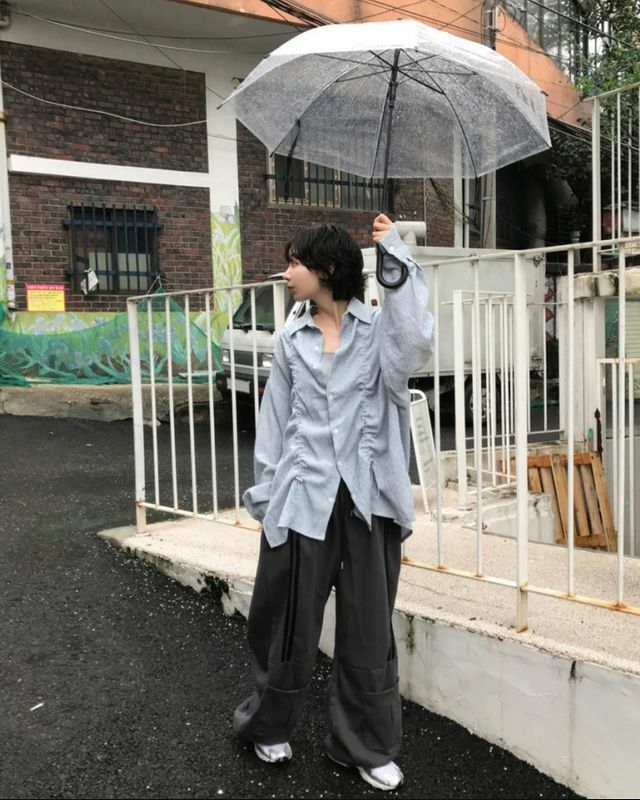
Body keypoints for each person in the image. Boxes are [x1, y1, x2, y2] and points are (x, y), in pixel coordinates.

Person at [234, 213, 434, 792]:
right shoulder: (290, 338)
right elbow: (274, 421)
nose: (287, 272)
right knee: (285, 621)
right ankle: (269, 724)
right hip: (302, 497)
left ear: (326, 268)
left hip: (368, 501)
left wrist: (392, 252)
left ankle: (363, 746)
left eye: (295, 261)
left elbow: (416, 343)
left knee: (368, 628)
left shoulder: (380, 335)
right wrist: (266, 497)